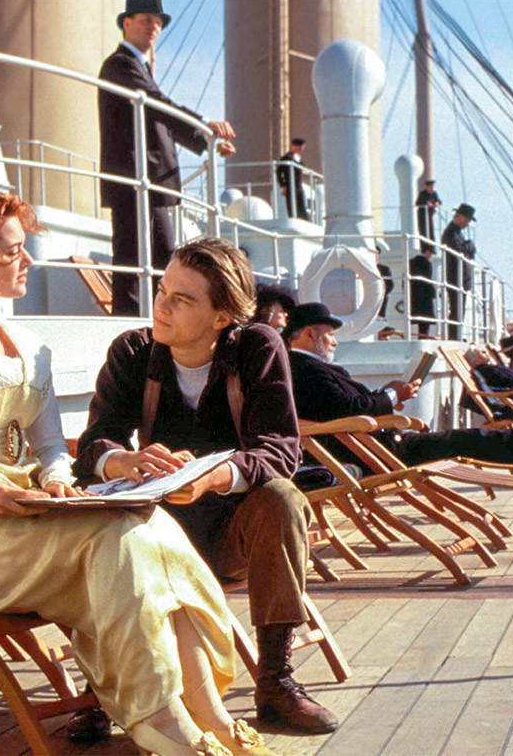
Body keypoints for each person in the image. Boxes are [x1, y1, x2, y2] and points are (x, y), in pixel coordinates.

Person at [0, 191, 269, 756]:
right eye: (13, 251)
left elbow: (48, 447)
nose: (28, 260)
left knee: (145, 524)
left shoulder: (29, 347)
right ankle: (161, 718)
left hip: (23, 512)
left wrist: (56, 481)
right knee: (118, 543)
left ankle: (207, 713)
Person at [73, 238, 339, 735]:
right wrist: (125, 460)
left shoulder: (256, 348)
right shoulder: (134, 352)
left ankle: (275, 682)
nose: (162, 306)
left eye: (182, 299)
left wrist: (211, 476)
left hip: (231, 536)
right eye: (162, 291)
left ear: (221, 317)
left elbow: (280, 451)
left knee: (283, 499)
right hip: (152, 536)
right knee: (99, 521)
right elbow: (94, 444)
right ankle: (103, 686)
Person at [283, 304, 513, 469]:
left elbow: (341, 406)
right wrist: (393, 395)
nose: (335, 341)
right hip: (373, 453)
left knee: (468, 438)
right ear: (310, 334)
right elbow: (349, 410)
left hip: (373, 445)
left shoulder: (307, 368)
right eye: (330, 334)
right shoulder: (307, 370)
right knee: (468, 439)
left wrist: (387, 393)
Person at [99, 0, 237, 315]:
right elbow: (157, 105)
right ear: (126, 23)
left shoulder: (139, 68)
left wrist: (208, 140)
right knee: (133, 260)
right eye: (146, 19)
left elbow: (159, 115)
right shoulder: (119, 65)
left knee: (163, 261)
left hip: (151, 182)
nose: (154, 27)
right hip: (134, 181)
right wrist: (204, 126)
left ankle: (162, 323)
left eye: (158, 22)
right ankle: (130, 324)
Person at [439, 203, 476, 340]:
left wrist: (468, 247)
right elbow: (458, 249)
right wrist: (470, 245)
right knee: (456, 309)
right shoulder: (451, 233)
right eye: (467, 220)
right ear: (460, 217)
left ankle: (456, 335)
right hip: (455, 277)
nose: (467, 223)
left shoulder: (456, 233)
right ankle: (454, 336)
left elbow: (464, 249)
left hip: (460, 278)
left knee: (458, 310)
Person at [276, 138, 308, 220]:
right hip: (290, 185)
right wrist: (283, 185)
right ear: (294, 146)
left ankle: (304, 220)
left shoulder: (298, 159)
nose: (301, 150)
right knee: (292, 207)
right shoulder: (286, 158)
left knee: (302, 207)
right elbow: (279, 172)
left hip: (298, 186)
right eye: (300, 147)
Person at [409, 245, 437, 337]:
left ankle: (418, 337)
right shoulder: (426, 263)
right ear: (427, 252)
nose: (431, 256)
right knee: (425, 322)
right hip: (425, 296)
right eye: (431, 253)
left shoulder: (411, 262)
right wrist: (433, 293)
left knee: (416, 319)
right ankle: (423, 337)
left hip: (414, 295)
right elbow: (427, 279)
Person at [414, 179, 441, 245]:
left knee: (431, 231)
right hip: (422, 216)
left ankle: (431, 247)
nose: (432, 188)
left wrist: (437, 203)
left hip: (430, 215)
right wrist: (426, 204)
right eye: (430, 186)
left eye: (432, 186)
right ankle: (424, 247)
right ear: (427, 186)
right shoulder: (422, 194)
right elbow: (418, 203)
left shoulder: (434, 194)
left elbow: (439, 201)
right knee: (423, 231)